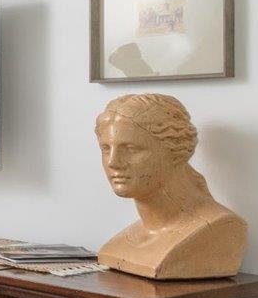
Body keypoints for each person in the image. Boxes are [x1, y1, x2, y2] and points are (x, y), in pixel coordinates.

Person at [94, 93, 245, 279]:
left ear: (175, 150)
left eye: (132, 149)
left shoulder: (218, 229)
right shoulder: (118, 245)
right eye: (105, 148)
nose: (113, 162)